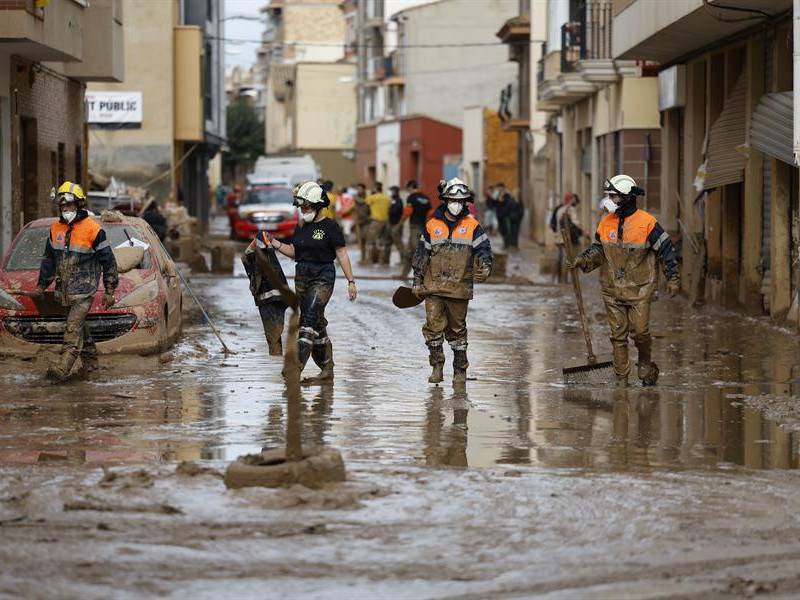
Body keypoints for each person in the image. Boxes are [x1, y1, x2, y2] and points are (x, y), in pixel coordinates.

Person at [566, 174, 680, 387]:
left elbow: (666, 250)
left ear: (627, 197)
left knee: (640, 331)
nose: (608, 200)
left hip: (640, 288)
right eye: (608, 195)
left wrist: (672, 277)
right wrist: (582, 259)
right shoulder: (605, 222)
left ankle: (645, 358)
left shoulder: (647, 223)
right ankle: (622, 381)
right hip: (612, 288)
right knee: (618, 336)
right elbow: (599, 249)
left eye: (613, 196)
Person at [269, 181, 357, 381]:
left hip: (323, 277)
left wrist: (351, 281)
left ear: (318, 205)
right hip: (302, 276)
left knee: (307, 320)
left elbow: (341, 253)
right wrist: (274, 243)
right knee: (316, 323)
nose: (303, 210)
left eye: (307, 206)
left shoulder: (330, 227)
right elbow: (294, 251)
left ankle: (295, 368)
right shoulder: (300, 226)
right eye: (301, 206)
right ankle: (327, 370)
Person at [35, 181, 119, 381]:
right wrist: (41, 285)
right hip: (63, 291)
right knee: (82, 329)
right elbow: (49, 260)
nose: (66, 210)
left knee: (72, 329)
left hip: (84, 291)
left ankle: (61, 370)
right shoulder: (55, 229)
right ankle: (92, 368)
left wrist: (109, 291)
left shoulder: (93, 229)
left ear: (79, 205)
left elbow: (108, 261)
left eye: (69, 206)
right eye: (63, 206)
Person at [412, 177, 493, 385]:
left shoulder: (472, 226)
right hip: (433, 286)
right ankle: (437, 366)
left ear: (466, 202)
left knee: (458, 331)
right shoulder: (432, 225)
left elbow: (484, 250)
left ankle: (459, 370)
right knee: (432, 327)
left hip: (459, 288)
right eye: (452, 200)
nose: (457, 205)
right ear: (445, 200)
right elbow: (421, 254)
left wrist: (485, 267)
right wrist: (417, 280)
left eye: (461, 201)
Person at [242, 231, 288, 356]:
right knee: (274, 335)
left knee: (273, 336)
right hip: (277, 299)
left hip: (271, 300)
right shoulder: (267, 259)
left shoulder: (259, 259)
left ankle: (276, 359)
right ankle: (276, 359)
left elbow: (246, 258)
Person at [552, 192, 588, 283]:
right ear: (571, 200)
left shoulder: (559, 210)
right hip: (569, 239)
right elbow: (576, 223)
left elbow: (555, 225)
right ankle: (569, 279)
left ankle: (559, 279)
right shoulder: (571, 210)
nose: (575, 201)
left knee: (560, 258)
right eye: (574, 199)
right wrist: (584, 231)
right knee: (571, 258)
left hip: (559, 238)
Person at [399, 179, 430, 278]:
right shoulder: (426, 198)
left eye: (408, 189)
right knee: (410, 252)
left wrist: (399, 224)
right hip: (424, 228)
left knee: (417, 251)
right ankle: (404, 274)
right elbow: (430, 213)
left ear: (411, 187)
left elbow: (407, 212)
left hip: (415, 228)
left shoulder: (411, 197)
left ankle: (426, 275)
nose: (408, 191)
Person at [365, 182, 391, 264]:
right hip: (386, 222)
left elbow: (365, 204)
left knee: (370, 242)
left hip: (375, 222)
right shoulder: (387, 198)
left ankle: (369, 260)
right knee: (382, 242)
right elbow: (389, 208)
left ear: (375, 188)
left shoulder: (372, 197)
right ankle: (381, 261)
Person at [384, 185, 406, 265]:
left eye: (391, 191)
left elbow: (395, 211)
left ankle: (403, 260)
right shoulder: (393, 200)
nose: (390, 193)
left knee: (398, 243)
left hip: (396, 225)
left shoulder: (398, 201)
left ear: (395, 192)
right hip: (390, 224)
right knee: (387, 242)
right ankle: (385, 260)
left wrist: (389, 209)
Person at [354, 183, 371, 263]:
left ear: (364, 189)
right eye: (358, 189)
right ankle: (362, 258)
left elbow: (364, 203)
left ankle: (368, 258)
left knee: (367, 240)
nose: (358, 190)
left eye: (360, 189)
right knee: (361, 241)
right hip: (359, 222)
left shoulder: (368, 198)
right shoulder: (356, 198)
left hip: (367, 222)